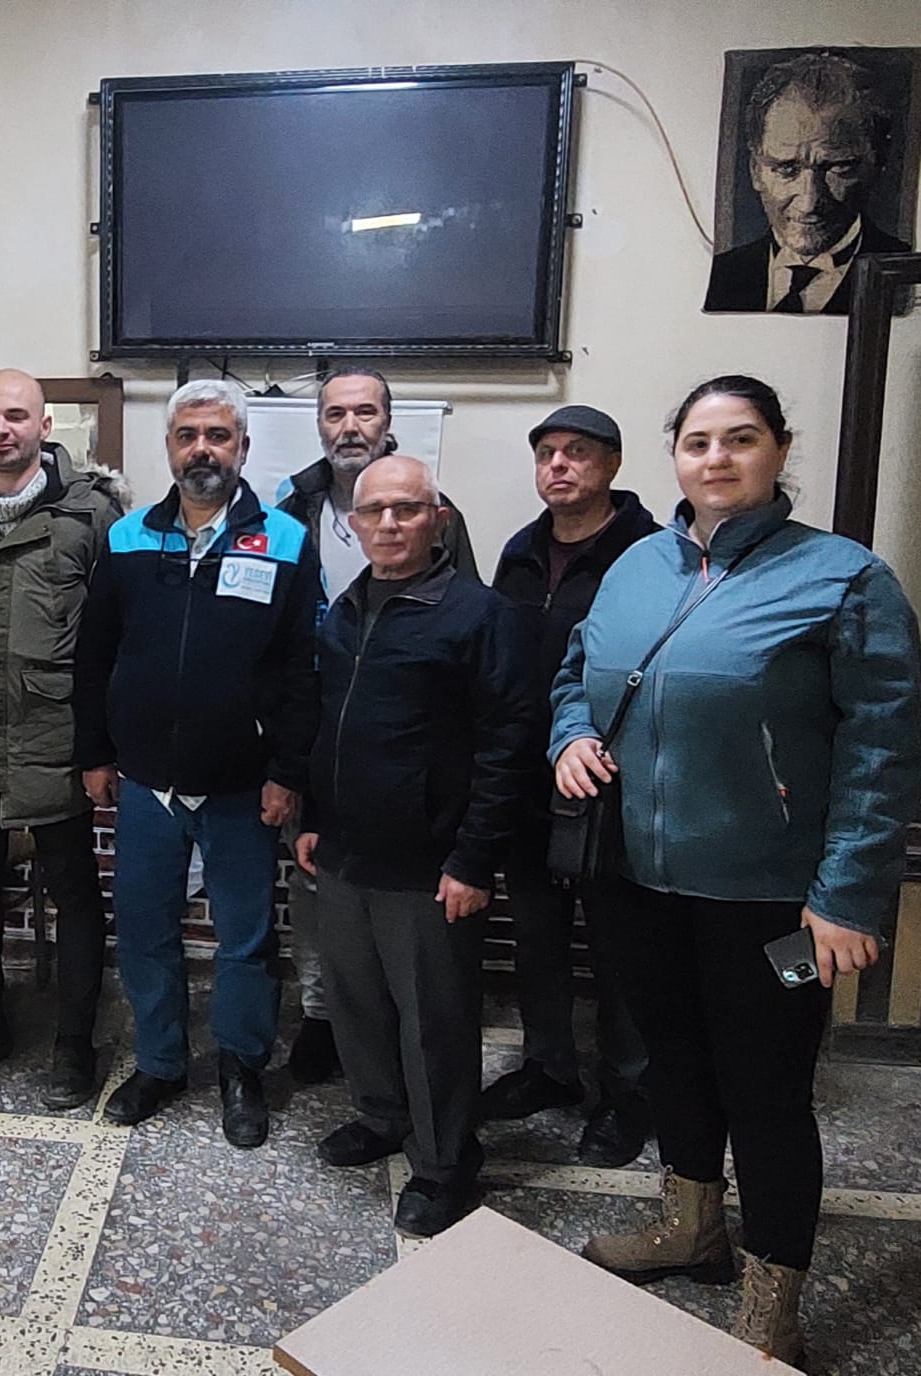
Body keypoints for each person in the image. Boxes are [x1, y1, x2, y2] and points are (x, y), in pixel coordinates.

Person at [557, 375, 921, 1364]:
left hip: (776, 905)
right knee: (670, 1062)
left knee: (766, 1090)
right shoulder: (635, 565)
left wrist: (845, 895)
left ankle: (771, 1298)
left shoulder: (843, 578)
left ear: (778, 450)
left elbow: (884, 751)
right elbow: (575, 675)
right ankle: (690, 1228)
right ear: (673, 455)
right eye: (698, 441)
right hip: (638, 881)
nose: (716, 458)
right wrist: (569, 735)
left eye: (741, 438)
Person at [295, 454, 544, 1238]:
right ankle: (381, 1116)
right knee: (357, 1005)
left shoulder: (480, 615)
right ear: (356, 522)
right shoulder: (346, 608)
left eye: (407, 509)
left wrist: (473, 859)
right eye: (375, 511)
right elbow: (327, 723)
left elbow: (509, 745)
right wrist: (313, 816)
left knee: (433, 1021)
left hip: (431, 866)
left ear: (438, 521)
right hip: (343, 853)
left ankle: (443, 1162)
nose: (390, 523)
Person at [74, 380, 320, 1146]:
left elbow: (301, 668)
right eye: (188, 435)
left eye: (218, 435)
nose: (202, 449)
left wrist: (287, 771)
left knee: (245, 938)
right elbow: (94, 654)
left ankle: (242, 1068)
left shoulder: (285, 541)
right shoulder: (127, 539)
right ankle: (160, 1063)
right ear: (170, 447)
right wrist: (94, 752)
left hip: (244, 783)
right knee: (144, 929)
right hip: (145, 780)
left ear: (242, 446)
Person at [0, 370, 123, 1106]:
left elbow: (113, 635)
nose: (1, 429)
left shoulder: (90, 513)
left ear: (44, 425)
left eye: (16, 415)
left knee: (74, 892)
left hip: (55, 735)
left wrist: (101, 746)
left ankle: (74, 1042)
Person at [482, 405, 660, 1167]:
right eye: (547, 453)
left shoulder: (651, 555)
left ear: (612, 464)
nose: (559, 465)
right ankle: (549, 1067)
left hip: (610, 781)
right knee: (537, 936)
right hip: (525, 779)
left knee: (620, 949)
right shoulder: (520, 552)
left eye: (577, 452)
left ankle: (629, 1095)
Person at [704, 52, 913, 314]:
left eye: (838, 167)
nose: (809, 203)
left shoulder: (907, 274)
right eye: (786, 169)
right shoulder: (724, 271)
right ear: (755, 171)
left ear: (878, 163)